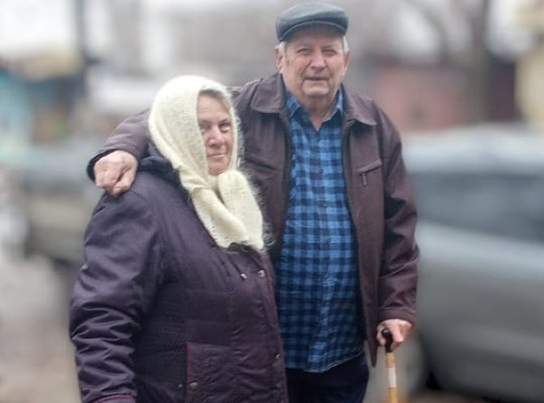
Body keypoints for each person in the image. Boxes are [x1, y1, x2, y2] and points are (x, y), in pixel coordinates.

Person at [88, 2, 418, 402]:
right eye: (303, 51)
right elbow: (172, 113)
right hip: (263, 352)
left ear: (345, 60)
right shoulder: (245, 107)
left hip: (341, 351)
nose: (318, 62)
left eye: (329, 51)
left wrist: (395, 305)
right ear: (280, 59)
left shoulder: (374, 126)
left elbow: (399, 224)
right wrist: (124, 148)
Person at [70, 76, 287, 403]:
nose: (218, 139)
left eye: (225, 126)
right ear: (173, 131)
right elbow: (102, 323)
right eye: (202, 128)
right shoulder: (139, 203)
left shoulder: (233, 198)